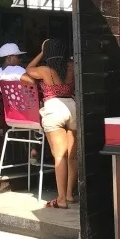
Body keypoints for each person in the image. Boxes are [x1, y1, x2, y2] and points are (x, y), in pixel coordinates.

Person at [23, 38, 77, 210]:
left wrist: (41, 52)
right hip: (72, 107)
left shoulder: (45, 70)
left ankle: (61, 199)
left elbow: (28, 69)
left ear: (49, 54)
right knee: (72, 156)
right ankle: (69, 194)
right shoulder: (72, 67)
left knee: (59, 156)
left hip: (54, 108)